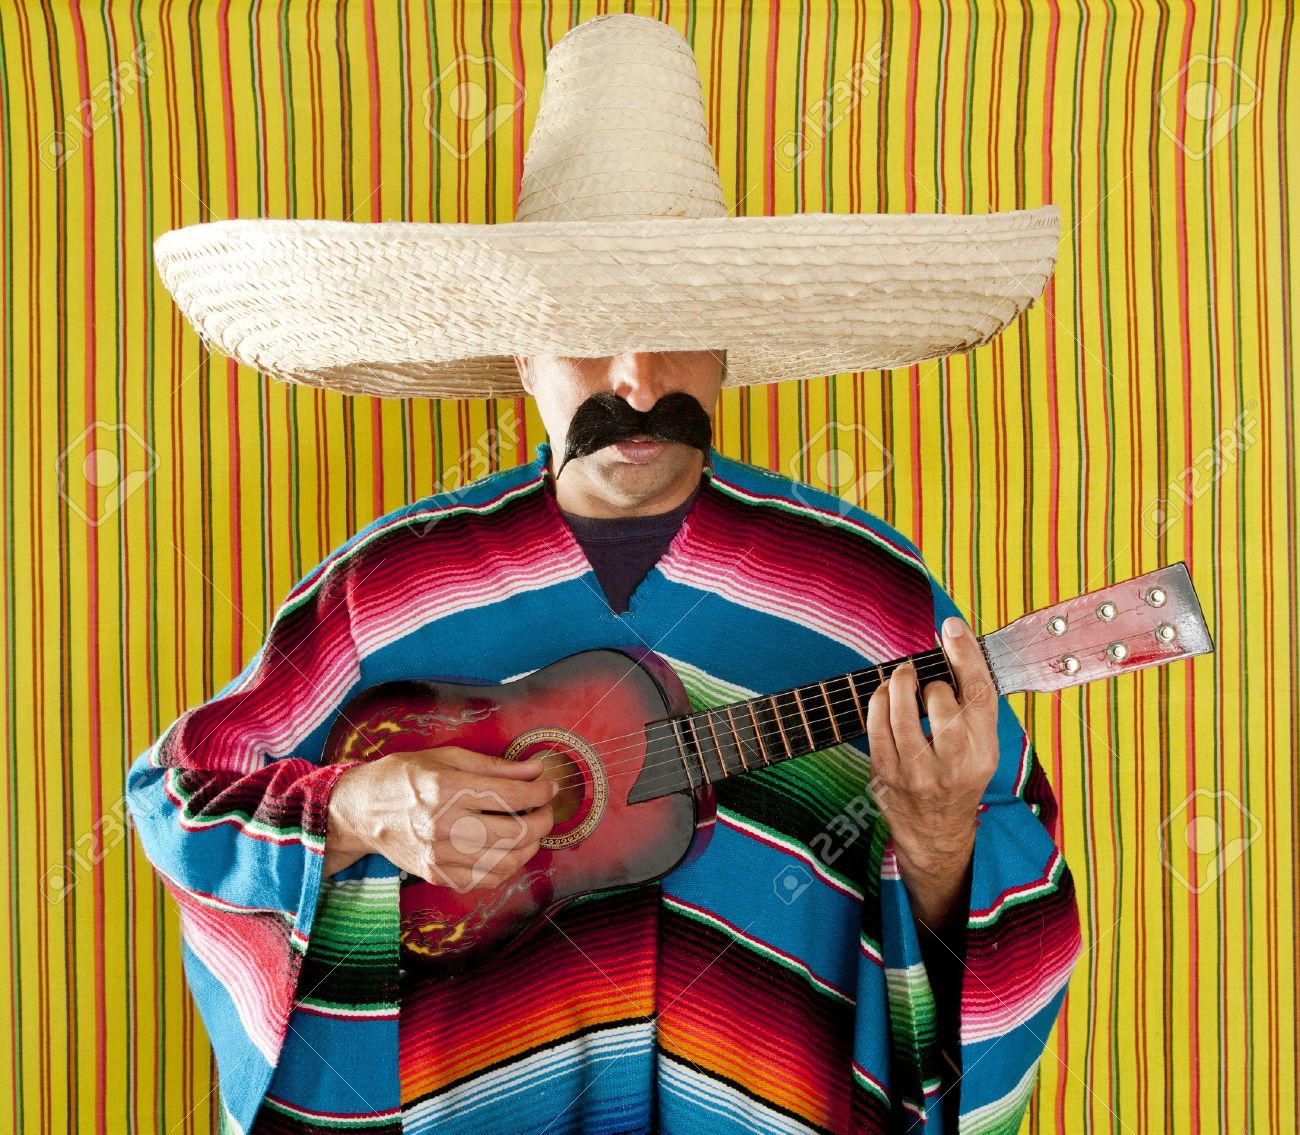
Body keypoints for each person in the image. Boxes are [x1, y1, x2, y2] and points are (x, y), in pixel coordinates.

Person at [130, 14, 1081, 1135]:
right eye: (584, 327)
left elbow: (1005, 908)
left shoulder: (862, 592)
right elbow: (181, 798)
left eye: (676, 323)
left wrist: (941, 845)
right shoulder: (384, 588)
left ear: (730, 340)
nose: (635, 378)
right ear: (516, 351)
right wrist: (355, 803)